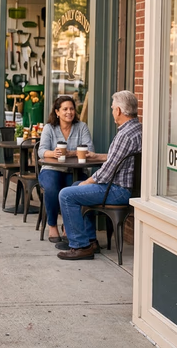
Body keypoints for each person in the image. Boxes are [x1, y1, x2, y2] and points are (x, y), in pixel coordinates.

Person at [56, 91, 142, 261]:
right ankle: (90, 240)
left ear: (118, 110)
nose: (112, 112)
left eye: (112, 108)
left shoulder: (124, 135)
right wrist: (97, 156)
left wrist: (87, 182)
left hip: (118, 191)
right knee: (75, 187)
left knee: (66, 194)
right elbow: (119, 158)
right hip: (128, 188)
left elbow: (108, 171)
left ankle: (80, 246)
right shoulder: (137, 129)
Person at [37, 96, 94, 243]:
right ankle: (52, 225)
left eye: (72, 109)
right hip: (51, 168)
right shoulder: (49, 128)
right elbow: (41, 150)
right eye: (65, 109)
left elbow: (90, 149)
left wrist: (70, 153)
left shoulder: (81, 127)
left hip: (73, 170)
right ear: (57, 112)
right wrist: (53, 153)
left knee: (78, 188)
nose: (69, 112)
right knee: (51, 187)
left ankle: (69, 226)